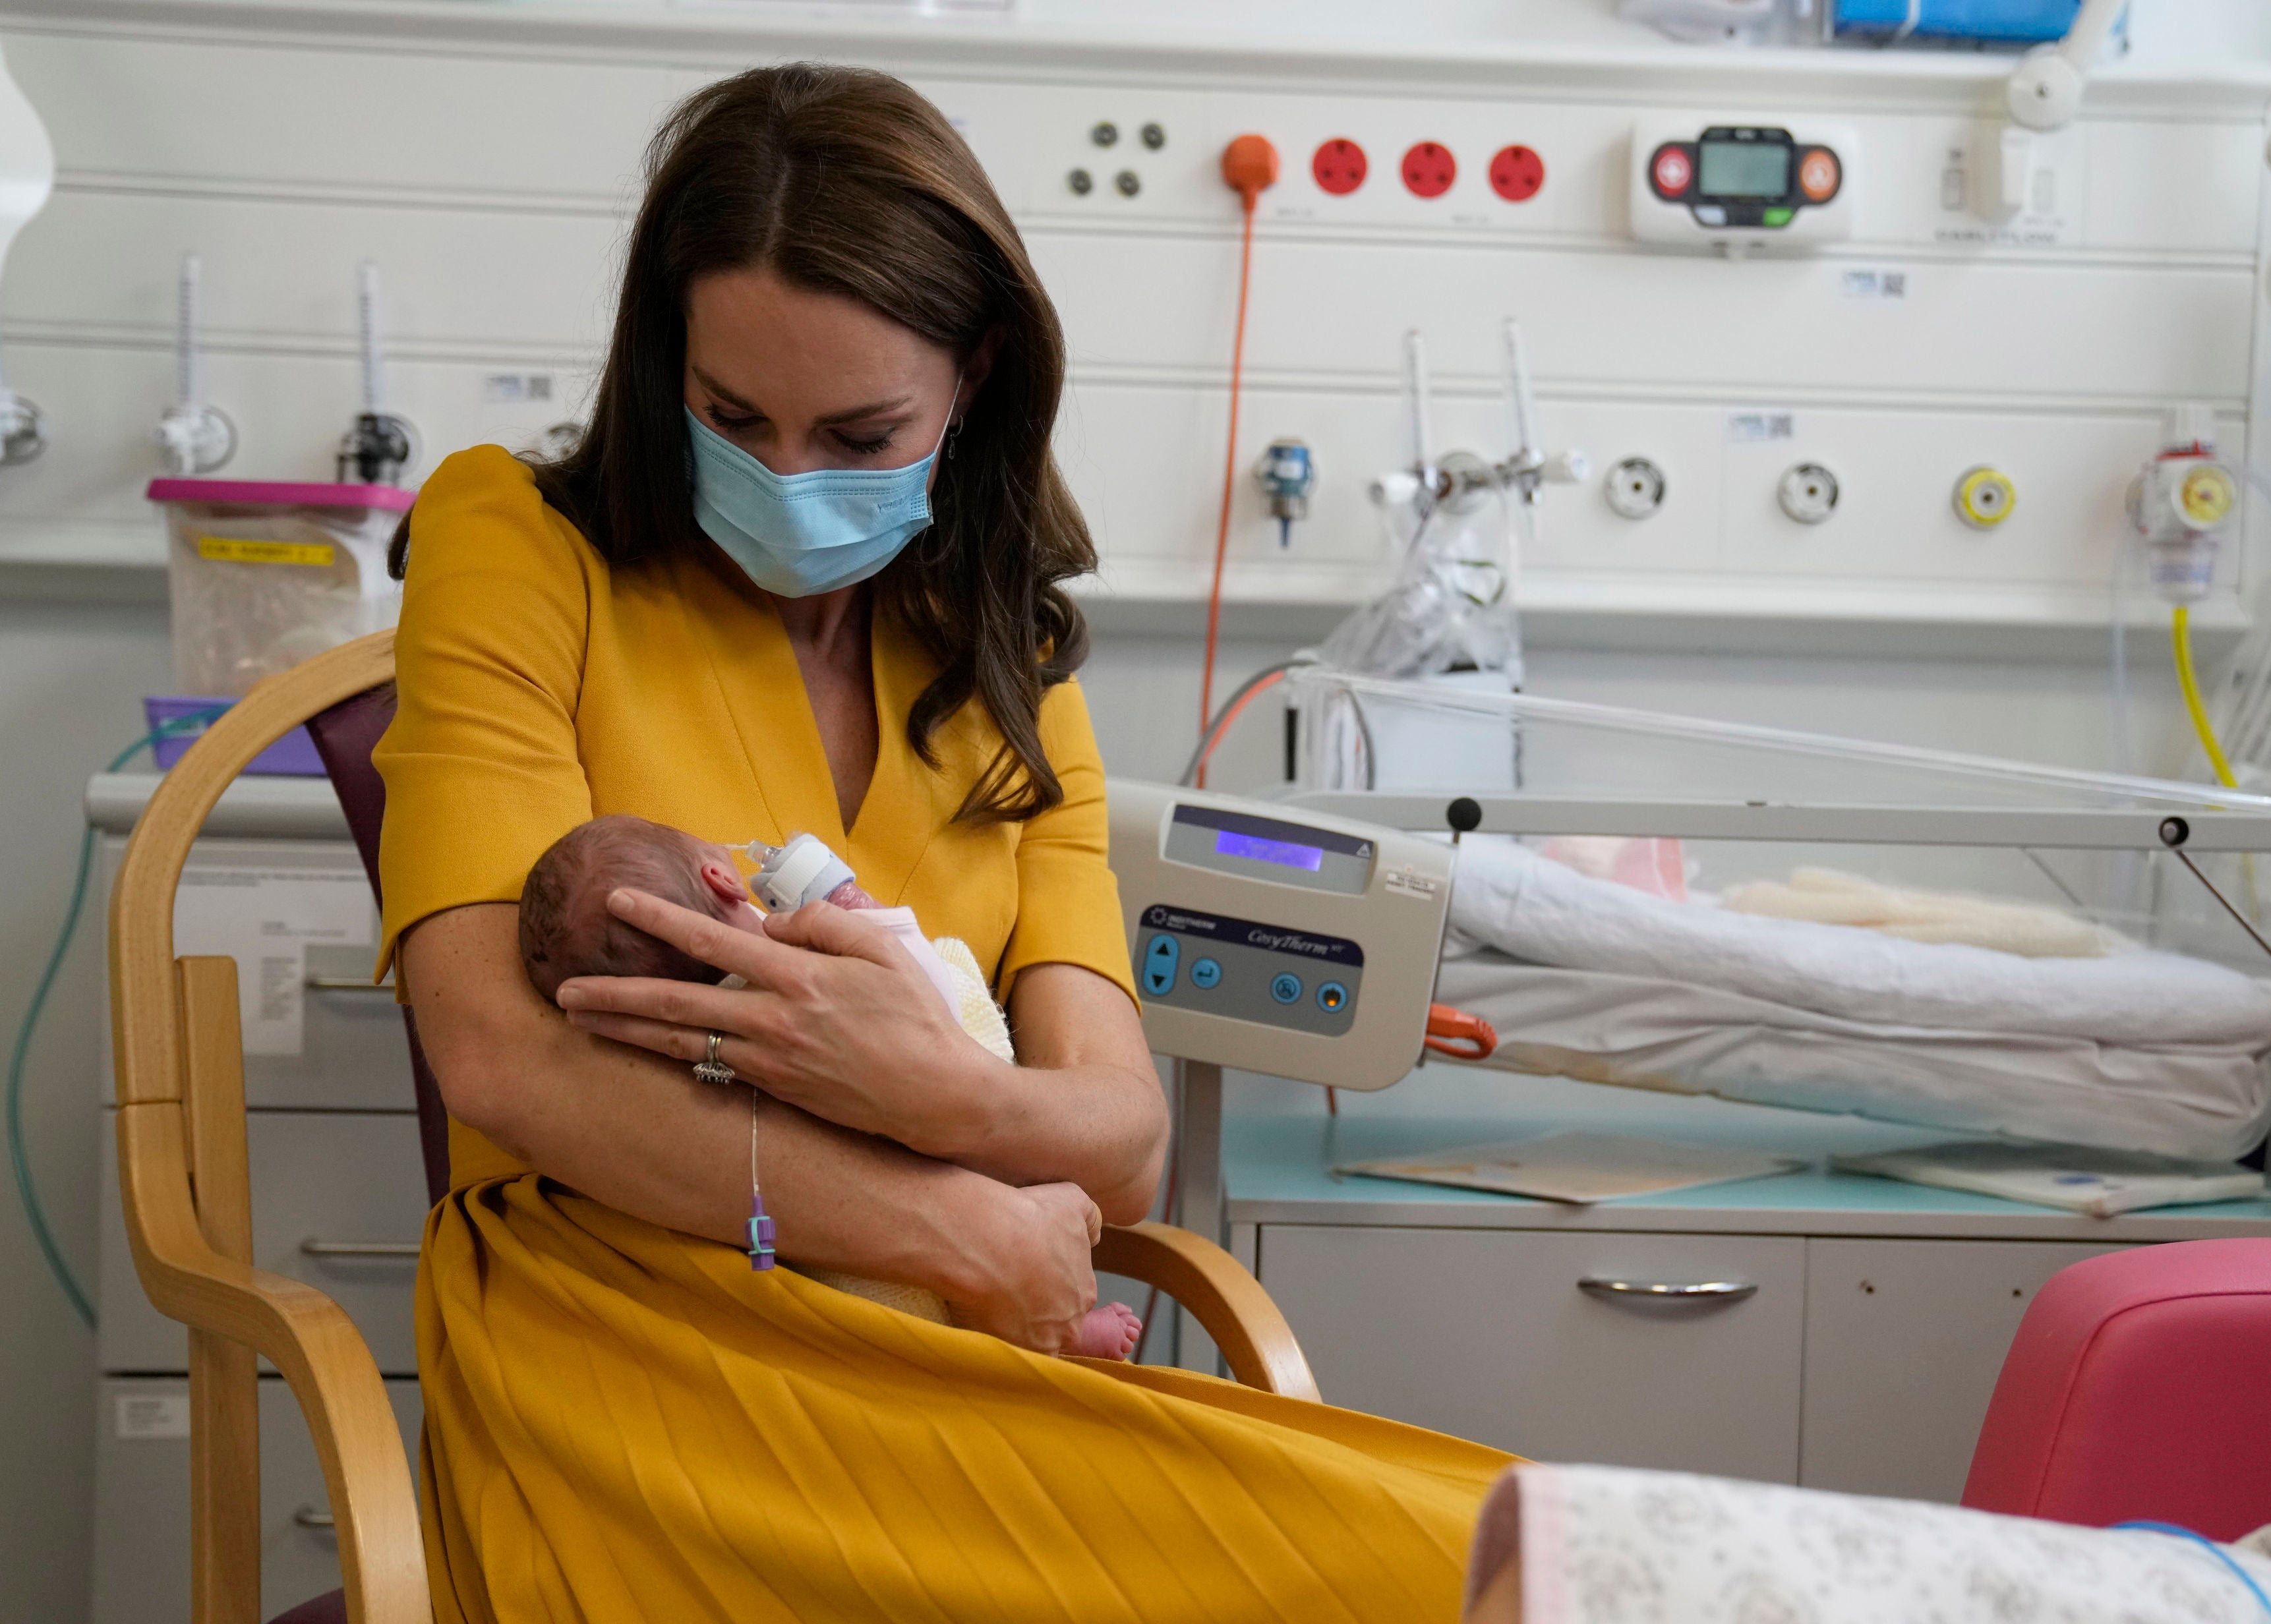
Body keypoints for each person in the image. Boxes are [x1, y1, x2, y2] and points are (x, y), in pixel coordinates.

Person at [378, 61, 1515, 1623]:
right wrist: (960, 1216)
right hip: (626, 1346)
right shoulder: (514, 543)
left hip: (954, 1341)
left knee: (1498, 1553)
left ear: (974, 379)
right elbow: (504, 1066)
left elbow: (1122, 1145)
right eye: (731, 419)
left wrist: (937, 1092)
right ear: (667, 372)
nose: (785, 482)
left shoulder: (1006, 669)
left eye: (857, 433)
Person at [514, 812, 1143, 1358]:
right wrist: (853, 906)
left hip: (824, 1291)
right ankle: (1063, 1335)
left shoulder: (668, 1051)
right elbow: (926, 990)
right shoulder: (819, 950)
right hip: (968, 1193)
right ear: (722, 878)